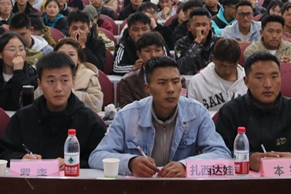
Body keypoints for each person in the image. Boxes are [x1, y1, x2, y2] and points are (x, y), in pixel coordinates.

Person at [89, 56, 232, 177]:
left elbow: (222, 154)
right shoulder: (127, 115)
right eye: (162, 83)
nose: (170, 89)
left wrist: (186, 166)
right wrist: (130, 163)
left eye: (175, 82)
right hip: (140, 189)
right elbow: (97, 156)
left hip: (183, 189)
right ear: (147, 88)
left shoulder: (197, 112)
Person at [0, 52, 106, 167]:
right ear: (39, 83)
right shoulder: (22, 118)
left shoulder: (89, 121)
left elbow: (99, 159)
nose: (58, 88)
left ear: (73, 81)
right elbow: (4, 153)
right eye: (51, 81)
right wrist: (21, 158)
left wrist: (73, 162)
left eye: (65, 80)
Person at [216, 52, 291, 171]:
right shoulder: (231, 111)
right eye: (259, 78)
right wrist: (247, 160)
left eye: (274, 77)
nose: (268, 85)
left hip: (288, 177)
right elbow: (218, 154)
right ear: (246, 82)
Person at [33, 38, 103, 112]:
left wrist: (67, 94)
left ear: (79, 59)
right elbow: (37, 97)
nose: (66, 58)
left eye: (71, 54)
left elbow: (96, 103)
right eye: (62, 54)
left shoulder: (89, 75)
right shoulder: (48, 73)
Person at [188, 38, 247, 111]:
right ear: (213, 59)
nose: (227, 71)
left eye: (232, 66)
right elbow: (191, 113)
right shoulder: (197, 82)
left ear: (238, 62)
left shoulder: (249, 79)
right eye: (223, 66)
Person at [119, 32, 167, 108]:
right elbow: (127, 111)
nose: (153, 55)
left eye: (157, 50)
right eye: (147, 51)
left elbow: (181, 107)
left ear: (163, 53)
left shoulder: (178, 80)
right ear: (139, 54)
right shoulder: (128, 81)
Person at [175, 8, 220, 75]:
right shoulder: (181, 43)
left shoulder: (219, 42)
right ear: (189, 26)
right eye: (197, 25)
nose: (201, 28)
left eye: (204, 25)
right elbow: (181, 68)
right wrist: (197, 42)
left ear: (210, 25)